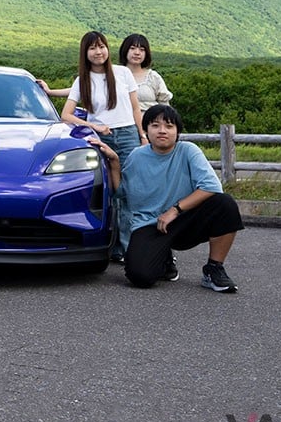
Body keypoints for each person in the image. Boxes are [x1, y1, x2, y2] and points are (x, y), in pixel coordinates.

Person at [104, 104, 244, 292]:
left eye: (169, 126)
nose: (162, 131)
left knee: (224, 204)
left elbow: (211, 186)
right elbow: (121, 193)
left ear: (177, 131)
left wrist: (174, 210)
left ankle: (214, 269)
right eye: (155, 125)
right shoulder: (136, 156)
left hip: (183, 219)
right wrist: (114, 162)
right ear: (145, 130)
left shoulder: (188, 151)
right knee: (140, 276)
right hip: (148, 223)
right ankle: (165, 261)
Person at [59, 31, 145, 260]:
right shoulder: (82, 79)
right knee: (107, 192)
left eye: (102, 47)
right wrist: (94, 127)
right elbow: (66, 115)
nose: (98, 52)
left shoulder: (123, 72)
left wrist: (142, 134)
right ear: (85, 53)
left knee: (128, 192)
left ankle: (128, 248)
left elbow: (136, 108)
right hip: (101, 139)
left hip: (128, 136)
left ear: (108, 48)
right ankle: (110, 244)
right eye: (92, 48)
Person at [119, 33, 173, 112]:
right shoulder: (116, 75)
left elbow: (165, 105)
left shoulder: (153, 77)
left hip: (150, 122)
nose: (137, 53)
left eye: (142, 50)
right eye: (132, 48)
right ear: (125, 50)